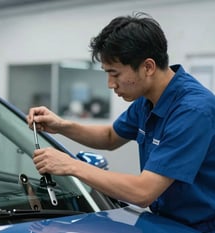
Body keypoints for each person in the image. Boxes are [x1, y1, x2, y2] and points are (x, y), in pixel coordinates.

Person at [26, 12, 215, 232]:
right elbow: (110, 137)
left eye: (115, 74)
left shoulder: (193, 111)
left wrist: (70, 165)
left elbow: (143, 192)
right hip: (166, 221)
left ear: (148, 67)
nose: (110, 84)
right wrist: (61, 126)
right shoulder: (148, 101)